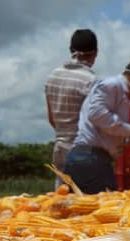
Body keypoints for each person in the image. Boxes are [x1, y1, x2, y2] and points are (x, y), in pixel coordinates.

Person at [65, 60, 130, 194]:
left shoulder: (123, 97)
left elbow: (129, 125)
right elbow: (96, 114)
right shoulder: (112, 85)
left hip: (97, 159)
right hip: (90, 159)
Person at [44, 29, 99, 190]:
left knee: (62, 204)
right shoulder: (91, 80)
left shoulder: (53, 77)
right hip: (83, 152)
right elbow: (94, 122)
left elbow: (52, 119)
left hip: (60, 148)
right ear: (95, 53)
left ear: (71, 50)